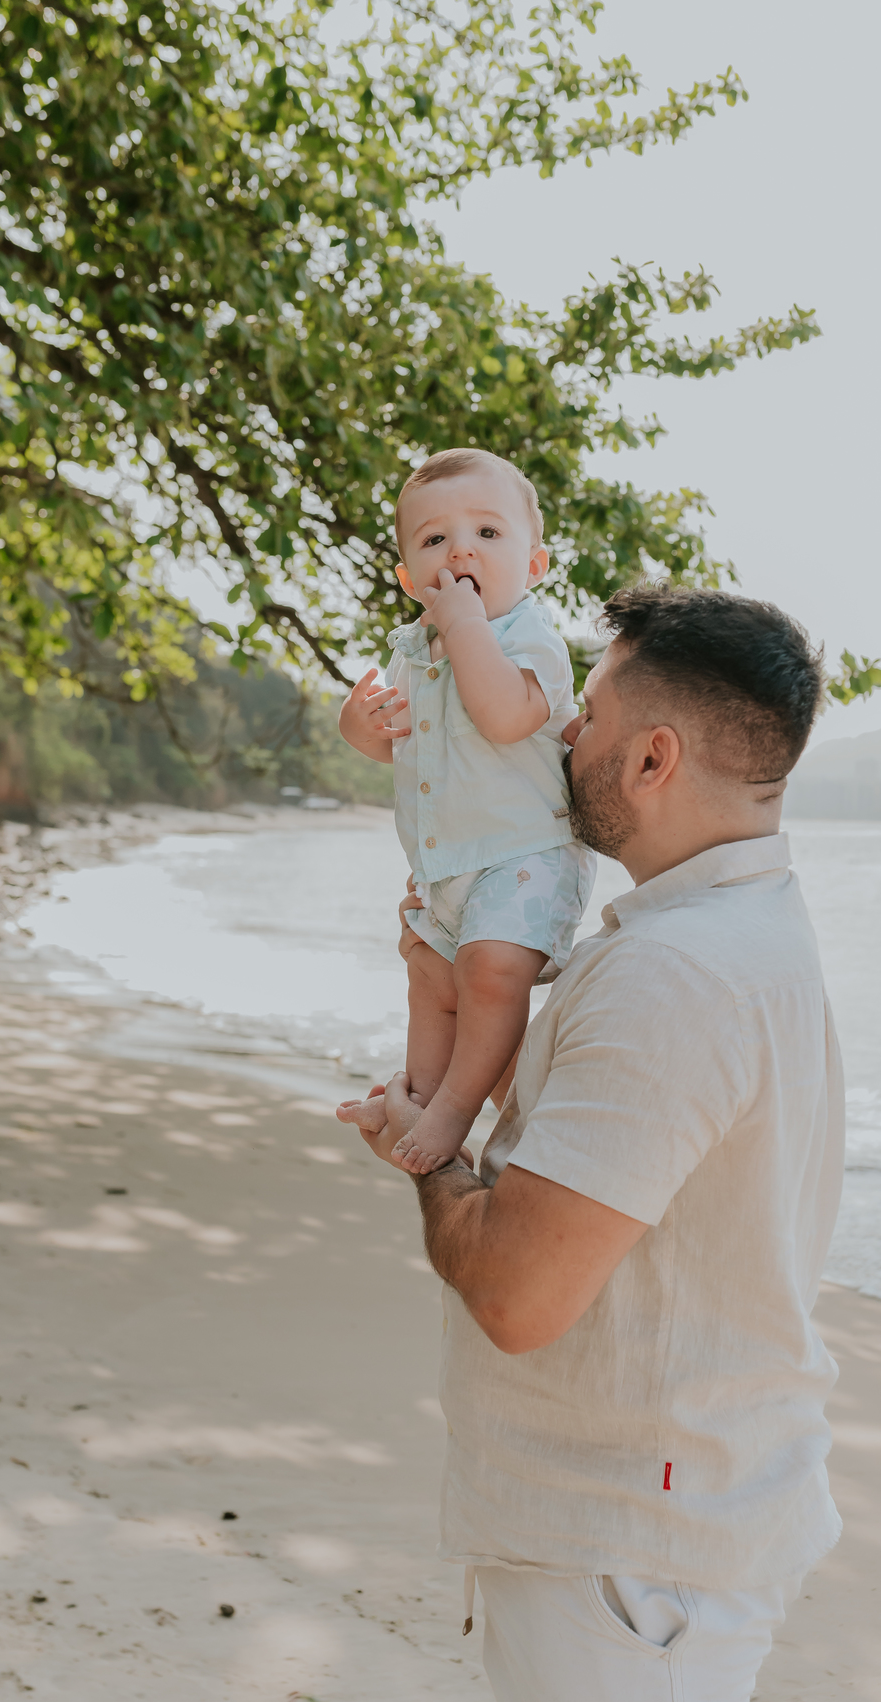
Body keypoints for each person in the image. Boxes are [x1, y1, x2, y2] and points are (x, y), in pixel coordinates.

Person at [341, 583, 845, 1702]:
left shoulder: (675, 977)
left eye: (591, 710)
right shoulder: (737, 931)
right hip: (649, 1530)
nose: (563, 729)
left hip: (635, 1559)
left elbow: (519, 1290)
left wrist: (432, 1153)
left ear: (655, 756)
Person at [336, 447, 596, 1174]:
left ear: (534, 565)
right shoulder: (411, 652)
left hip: (526, 857)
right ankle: (412, 1098)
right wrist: (360, 728)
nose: (460, 551)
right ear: (408, 578)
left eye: (487, 534)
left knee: (488, 974)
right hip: (446, 867)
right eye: (434, 540)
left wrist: (462, 627)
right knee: (430, 980)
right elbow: (410, 749)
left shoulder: (531, 639)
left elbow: (504, 717)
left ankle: (453, 1109)